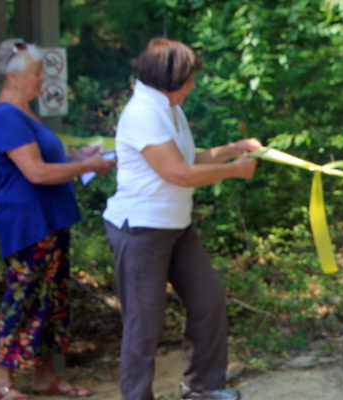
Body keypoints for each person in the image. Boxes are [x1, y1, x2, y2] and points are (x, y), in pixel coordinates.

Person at [103, 38, 261, 400]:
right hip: (141, 230)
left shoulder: (168, 107)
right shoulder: (144, 112)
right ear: (168, 78)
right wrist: (236, 171)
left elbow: (191, 160)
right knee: (144, 323)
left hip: (176, 226)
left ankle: (202, 388)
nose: (192, 86)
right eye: (188, 79)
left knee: (207, 298)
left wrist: (235, 149)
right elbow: (178, 174)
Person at [0, 38, 116, 400]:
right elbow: (37, 172)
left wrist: (80, 154)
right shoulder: (4, 116)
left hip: (50, 221)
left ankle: (45, 378)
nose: (43, 79)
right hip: (29, 225)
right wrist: (87, 166)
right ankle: (3, 383)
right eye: (36, 73)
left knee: (52, 300)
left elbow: (49, 157)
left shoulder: (25, 112)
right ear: (13, 77)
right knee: (24, 298)